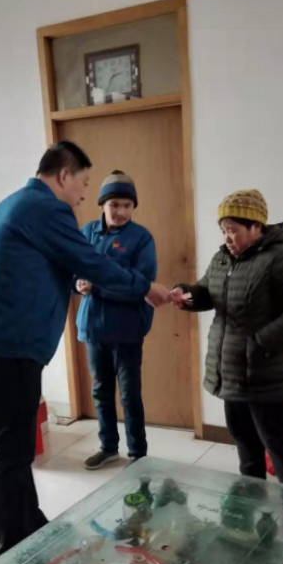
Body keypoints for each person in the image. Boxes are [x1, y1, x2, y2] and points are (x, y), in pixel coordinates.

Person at [0, 141, 170, 555]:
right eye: (83, 182)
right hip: (10, 348)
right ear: (64, 175)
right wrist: (146, 288)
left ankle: (29, 524)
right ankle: (13, 545)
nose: (82, 194)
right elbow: (91, 263)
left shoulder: (14, 205)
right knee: (10, 453)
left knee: (17, 447)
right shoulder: (47, 209)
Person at [171, 189, 283, 487]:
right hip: (231, 370)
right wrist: (185, 295)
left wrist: (262, 342)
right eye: (223, 230)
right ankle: (251, 499)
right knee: (243, 438)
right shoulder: (222, 259)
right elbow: (207, 291)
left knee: (277, 441)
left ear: (256, 226)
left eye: (233, 230)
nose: (227, 238)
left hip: (266, 371)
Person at [75, 171, 156, 470]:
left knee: (129, 393)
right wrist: (78, 284)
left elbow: (140, 284)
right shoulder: (87, 233)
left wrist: (97, 286)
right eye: (114, 205)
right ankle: (108, 446)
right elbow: (71, 269)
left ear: (133, 206)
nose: (120, 211)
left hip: (127, 329)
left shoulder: (141, 238)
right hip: (94, 328)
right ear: (102, 205)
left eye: (126, 205)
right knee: (101, 391)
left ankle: (137, 453)